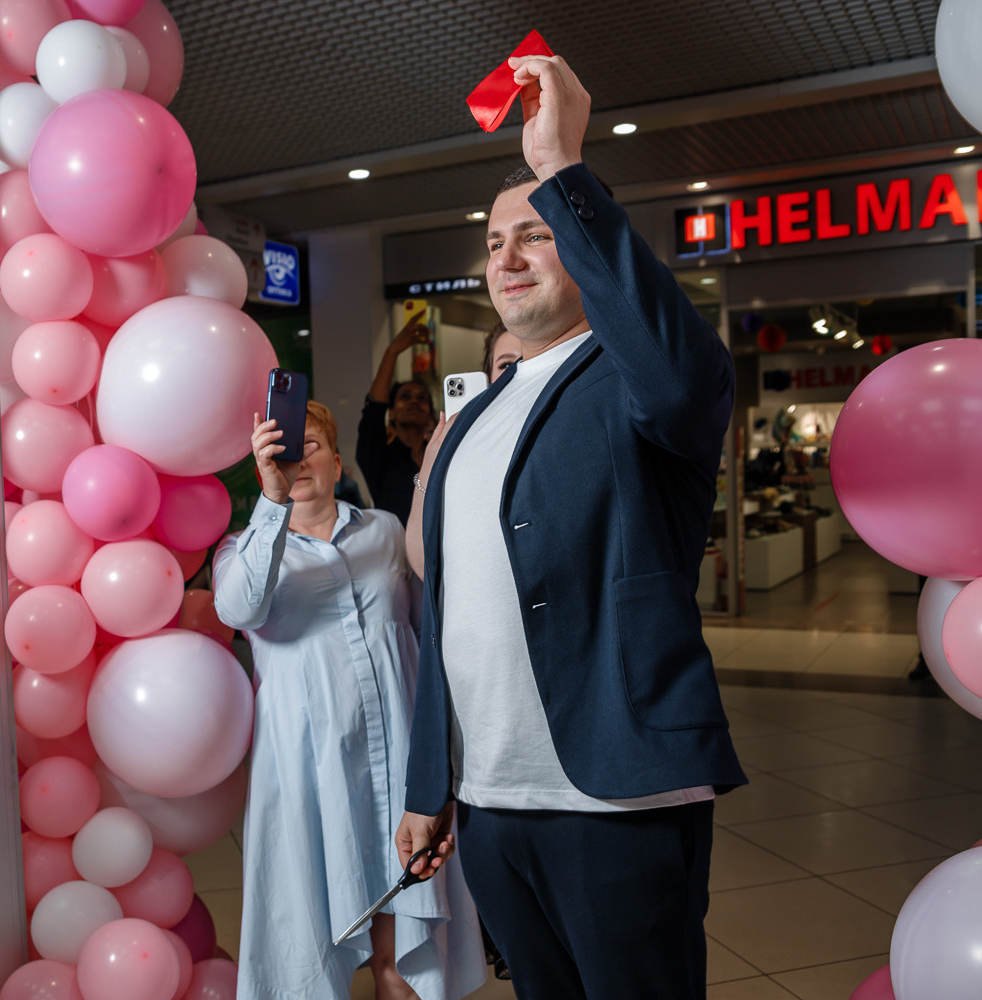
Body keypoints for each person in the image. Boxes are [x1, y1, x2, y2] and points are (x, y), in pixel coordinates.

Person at [394, 52, 746, 1000]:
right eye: (494, 240)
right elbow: (447, 605)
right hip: (493, 803)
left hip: (617, 789)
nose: (503, 258)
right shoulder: (472, 416)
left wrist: (562, 170)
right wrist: (434, 785)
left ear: (585, 252)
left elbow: (683, 372)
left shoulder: (639, 381)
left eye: (535, 235)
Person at [213, 401, 486, 1000]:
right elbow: (238, 608)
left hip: (397, 756)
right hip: (307, 768)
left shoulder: (385, 532)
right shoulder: (241, 549)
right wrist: (273, 503)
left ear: (337, 462)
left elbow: (424, 633)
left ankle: (396, 974)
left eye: (309, 444)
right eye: (282, 448)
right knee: (310, 919)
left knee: (402, 952)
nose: (297, 457)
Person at [406, 321, 522, 579]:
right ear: (488, 378)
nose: (517, 370)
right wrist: (430, 464)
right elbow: (424, 561)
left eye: (527, 359)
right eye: (505, 364)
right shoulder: (465, 451)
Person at [357, 311, 436, 524]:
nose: (414, 402)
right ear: (391, 411)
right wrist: (392, 352)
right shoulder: (379, 458)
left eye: (422, 398)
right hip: (397, 552)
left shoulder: (440, 455)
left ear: (430, 413)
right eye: (405, 397)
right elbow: (373, 411)